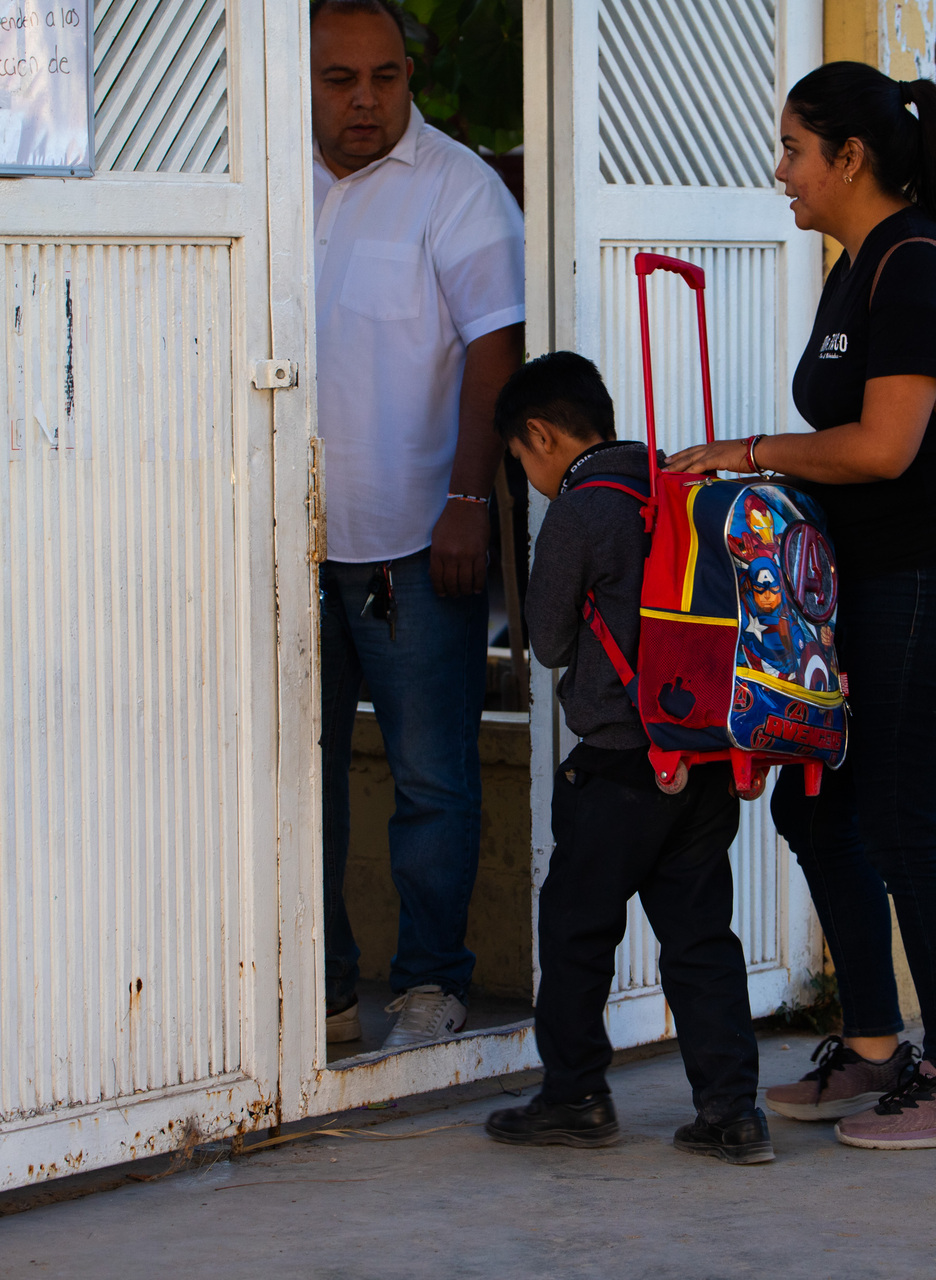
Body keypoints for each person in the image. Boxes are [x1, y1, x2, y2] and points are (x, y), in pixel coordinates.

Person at [666, 62, 936, 1151]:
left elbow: (883, 446)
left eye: (793, 149)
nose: (781, 172)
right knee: (816, 811)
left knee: (905, 830)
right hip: (869, 594)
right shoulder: (857, 266)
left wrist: (749, 450)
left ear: (850, 157)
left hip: (932, 590)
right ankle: (874, 1048)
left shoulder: (912, 269)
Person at [481, 353, 772, 1165]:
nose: (531, 477)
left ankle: (574, 1096)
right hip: (703, 759)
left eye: (522, 460)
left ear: (540, 435)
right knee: (701, 937)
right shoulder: (681, 483)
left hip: (617, 764)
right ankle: (732, 1114)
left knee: (576, 932)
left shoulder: (581, 510)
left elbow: (547, 642)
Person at [309, 0, 524, 1050]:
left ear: (410, 74)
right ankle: (325, 987)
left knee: (430, 774)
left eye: (384, 77)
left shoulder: (459, 189)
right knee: (296, 779)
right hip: (288, 543)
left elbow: (495, 357)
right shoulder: (267, 184)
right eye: (339, 78)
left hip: (413, 540)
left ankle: (434, 983)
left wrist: (469, 501)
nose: (363, 100)